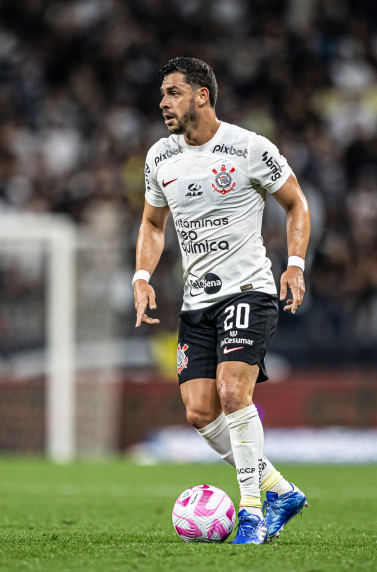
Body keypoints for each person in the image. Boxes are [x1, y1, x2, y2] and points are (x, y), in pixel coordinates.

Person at [133, 57, 311, 545]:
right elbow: (152, 223)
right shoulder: (160, 158)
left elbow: (296, 203)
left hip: (249, 291)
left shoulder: (249, 148)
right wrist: (143, 274)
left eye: (172, 92)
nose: (163, 102)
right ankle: (281, 491)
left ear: (202, 95)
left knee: (234, 394)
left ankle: (251, 515)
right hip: (196, 303)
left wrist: (294, 264)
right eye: (162, 94)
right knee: (199, 413)